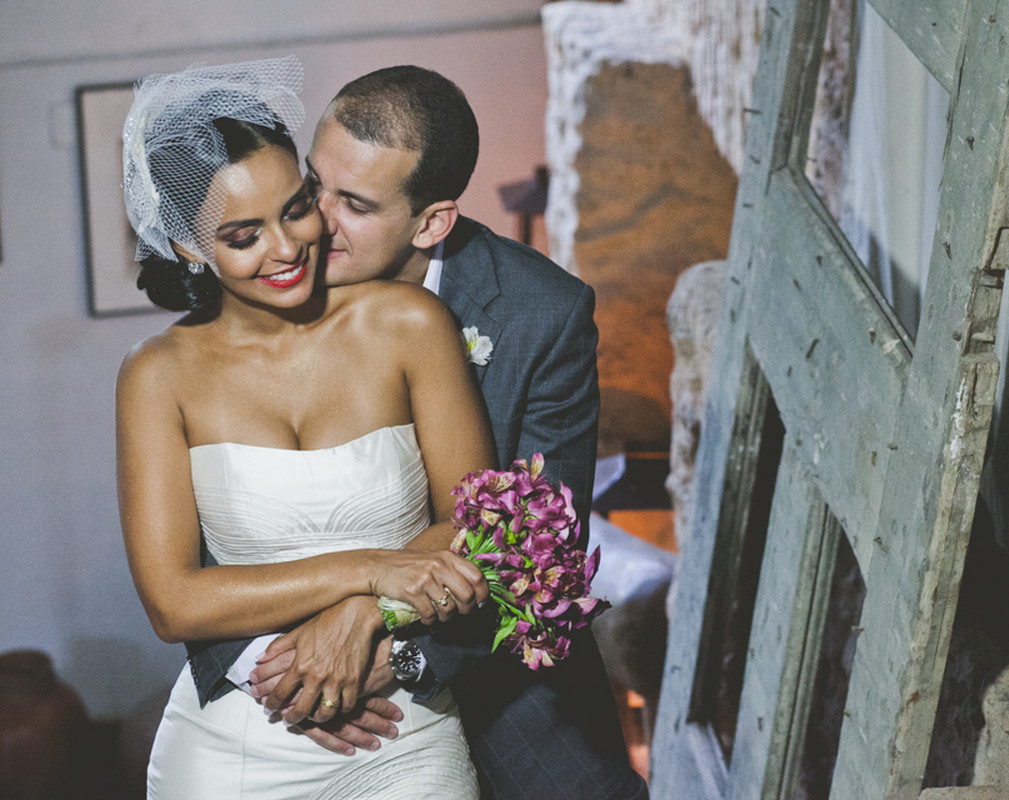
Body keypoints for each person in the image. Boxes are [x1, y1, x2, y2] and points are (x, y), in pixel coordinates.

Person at [186, 66, 648, 799]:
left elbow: (536, 536)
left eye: (357, 205)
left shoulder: (541, 314)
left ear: (432, 221)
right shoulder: (260, 278)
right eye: (316, 186)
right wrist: (277, 672)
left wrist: (378, 635)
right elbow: (213, 511)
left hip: (494, 673)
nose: (314, 222)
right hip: (293, 670)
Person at [116, 56, 494, 798]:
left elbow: (476, 521)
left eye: (295, 209)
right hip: (235, 745)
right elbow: (173, 601)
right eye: (243, 234)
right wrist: (368, 569)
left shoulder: (410, 324)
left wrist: (360, 619)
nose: (287, 249)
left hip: (404, 732)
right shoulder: (156, 375)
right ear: (191, 248)